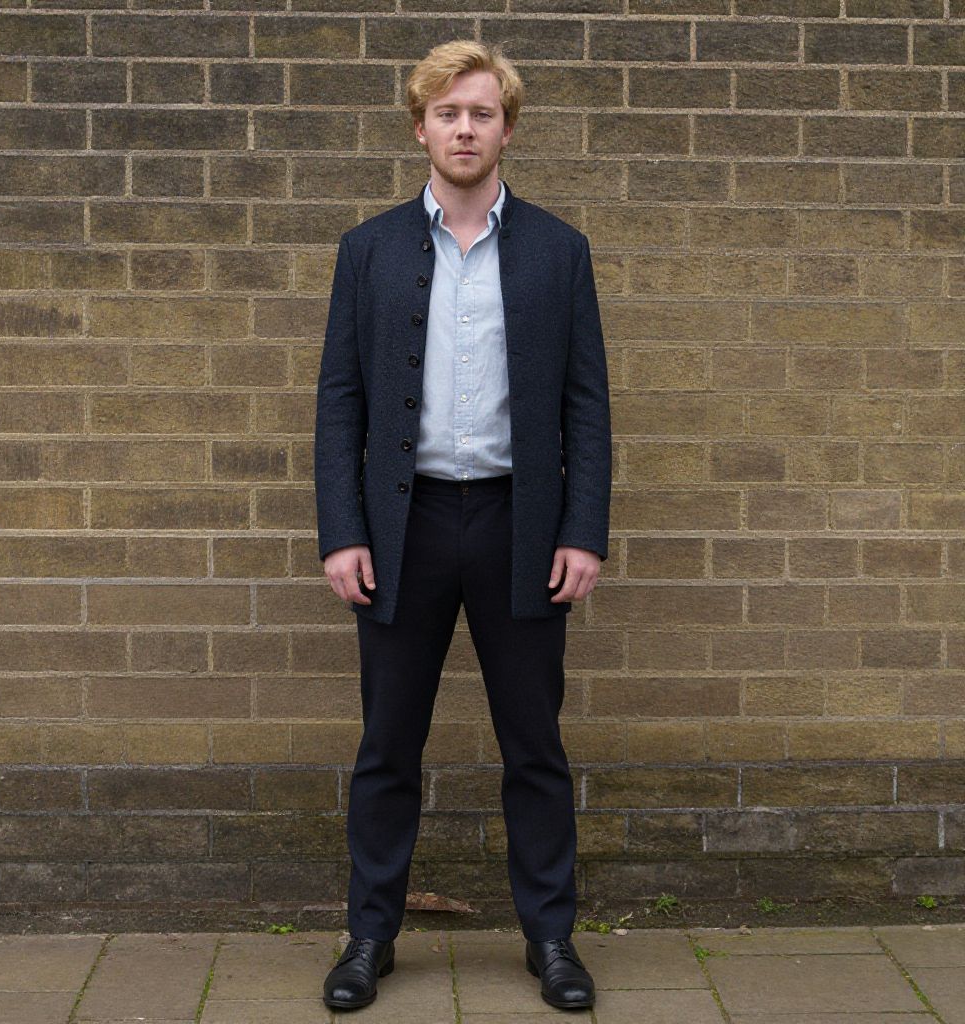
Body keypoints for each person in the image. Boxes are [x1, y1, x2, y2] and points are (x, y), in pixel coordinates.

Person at [314, 38, 611, 1012]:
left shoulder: (559, 252)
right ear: (420, 128)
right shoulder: (368, 250)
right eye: (447, 113)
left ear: (506, 128)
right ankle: (368, 935)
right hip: (402, 527)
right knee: (386, 743)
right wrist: (342, 530)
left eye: (481, 113)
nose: (465, 128)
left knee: (533, 742)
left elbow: (586, 408)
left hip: (519, 523)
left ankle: (552, 940)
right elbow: (340, 404)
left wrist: (582, 530)